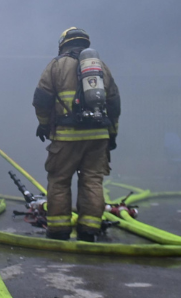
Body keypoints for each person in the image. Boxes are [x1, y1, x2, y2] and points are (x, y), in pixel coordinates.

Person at [32, 27, 121, 241]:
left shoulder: (56, 65)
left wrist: (44, 124)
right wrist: (112, 134)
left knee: (60, 180)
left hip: (66, 136)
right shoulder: (101, 68)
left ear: (63, 45)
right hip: (98, 136)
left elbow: (41, 99)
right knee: (92, 180)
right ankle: (89, 230)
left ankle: (59, 230)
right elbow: (115, 104)